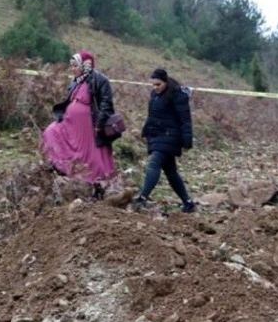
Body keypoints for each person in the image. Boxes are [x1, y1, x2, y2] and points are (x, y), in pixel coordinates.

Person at [40, 51, 116, 197]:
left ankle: (95, 182)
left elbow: (106, 103)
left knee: (88, 153)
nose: (72, 69)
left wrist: (99, 124)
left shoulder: (100, 80)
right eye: (71, 66)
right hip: (71, 123)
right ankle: (63, 167)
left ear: (84, 65)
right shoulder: (76, 80)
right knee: (51, 132)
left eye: (75, 66)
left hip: (88, 124)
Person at [132, 68, 196, 213]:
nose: (156, 88)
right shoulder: (154, 95)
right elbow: (152, 115)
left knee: (154, 163)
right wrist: (145, 130)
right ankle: (188, 202)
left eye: (158, 84)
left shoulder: (178, 95)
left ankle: (142, 198)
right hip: (157, 135)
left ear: (166, 82)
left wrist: (187, 140)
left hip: (170, 136)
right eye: (153, 85)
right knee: (171, 172)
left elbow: (185, 120)